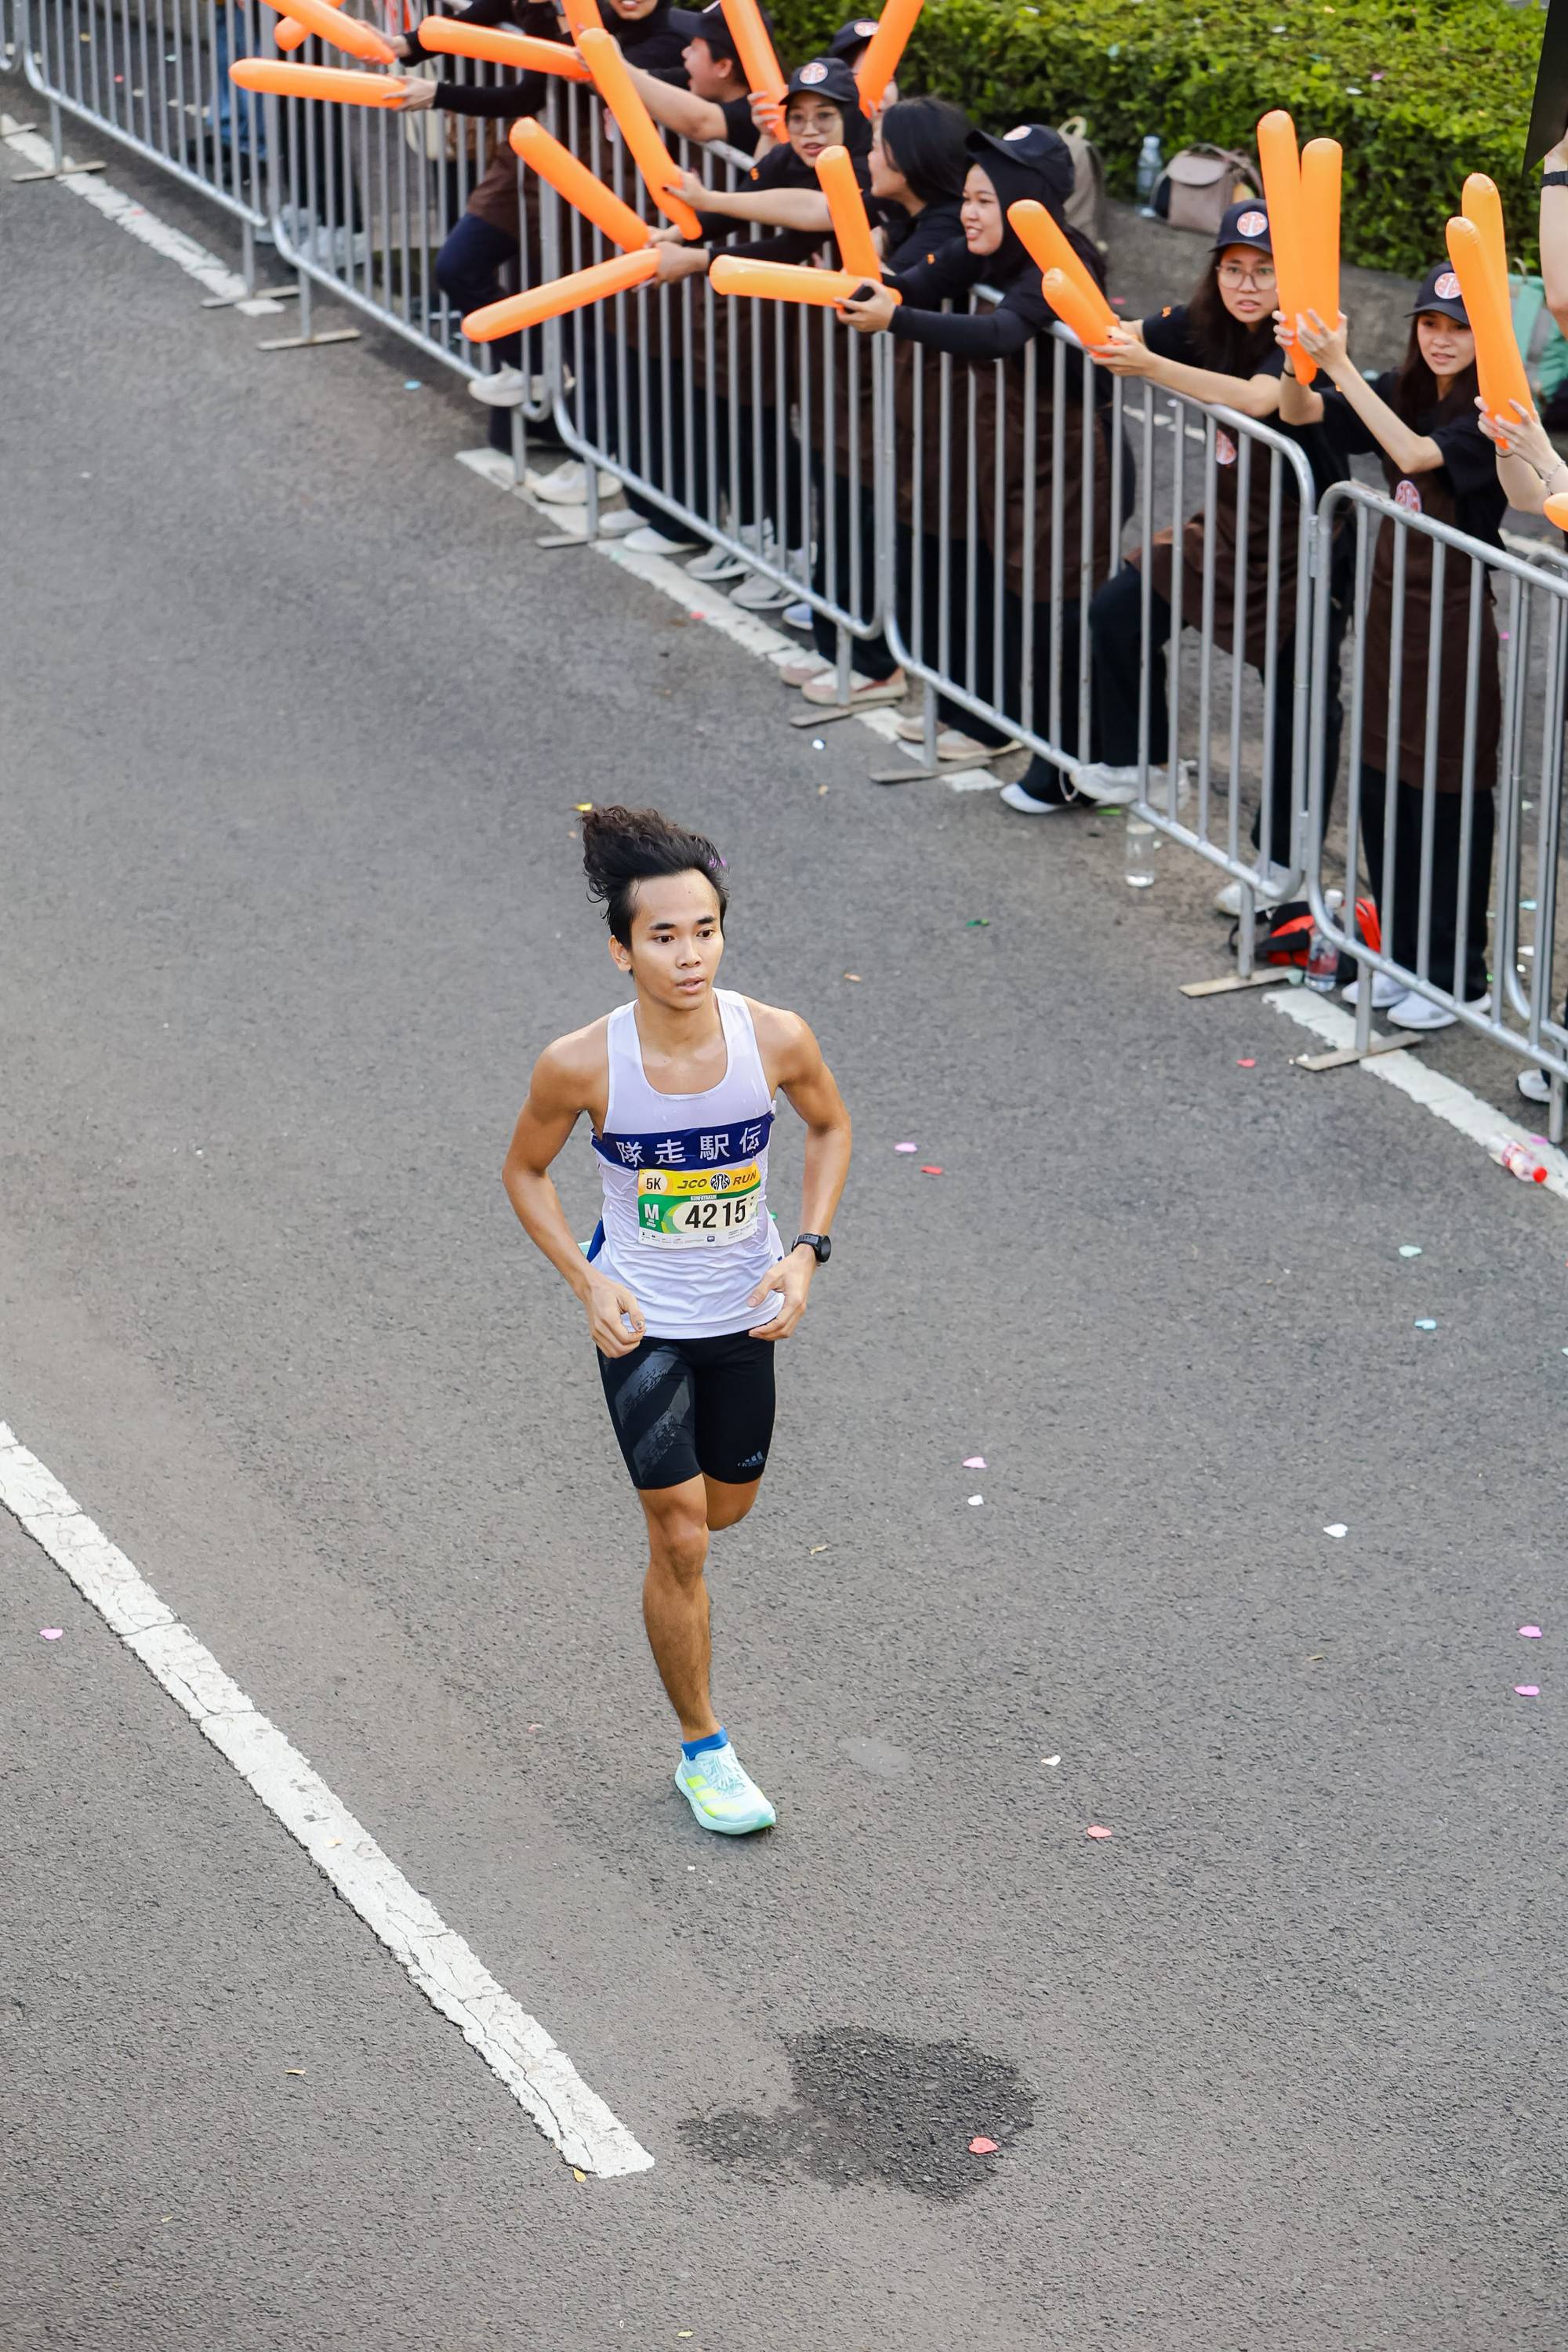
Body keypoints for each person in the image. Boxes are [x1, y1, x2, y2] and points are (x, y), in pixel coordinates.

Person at [502, 806, 851, 1835]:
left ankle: (678, 1566)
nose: (689, 954)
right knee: (683, 1533)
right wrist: (585, 1281)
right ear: (622, 951)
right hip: (641, 1319)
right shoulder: (582, 1065)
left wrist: (806, 1250)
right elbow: (524, 1171)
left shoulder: (775, 1039)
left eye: (705, 930)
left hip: (743, 1314)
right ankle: (706, 1751)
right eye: (663, 936)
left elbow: (830, 1127)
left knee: (724, 1511)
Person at [1073, 201, 1346, 912]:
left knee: (1301, 707)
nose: (1247, 286)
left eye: (1264, 271)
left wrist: (1149, 366)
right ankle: (1145, 762)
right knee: (1118, 612)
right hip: (1224, 529)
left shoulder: (1302, 336)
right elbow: (1118, 333)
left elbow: (1259, 401)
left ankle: (1283, 869)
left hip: (1303, 549)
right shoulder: (1202, 322)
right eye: (1233, 269)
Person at [840, 124, 1116, 795]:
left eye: (986, 200)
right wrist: (881, 286)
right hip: (1010, 450)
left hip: (1070, 462)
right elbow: (914, 285)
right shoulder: (983, 245)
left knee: (1049, 615)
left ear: (1028, 202)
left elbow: (1000, 332)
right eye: (967, 197)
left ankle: (1064, 767)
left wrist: (893, 318)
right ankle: (982, 717)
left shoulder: (1061, 259)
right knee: (993, 592)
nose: (968, 213)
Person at [1280, 268, 1504, 1031]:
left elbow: (1411, 455)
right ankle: (1401, 959)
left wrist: (1338, 363)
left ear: (1485, 338)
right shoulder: (1400, 387)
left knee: (1444, 793)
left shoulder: (1491, 411)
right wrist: (1300, 360)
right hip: (1389, 612)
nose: (1440, 340)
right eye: (1429, 324)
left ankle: (1455, 976)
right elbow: (1303, 413)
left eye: (1458, 328)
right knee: (1382, 783)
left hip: (1453, 620)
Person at [396, 0, 691, 453]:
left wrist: (576, 42)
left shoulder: (666, 36)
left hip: (605, 192)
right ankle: (532, 369)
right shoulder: (562, 14)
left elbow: (638, 91)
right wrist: (411, 46)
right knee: (458, 267)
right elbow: (520, 74)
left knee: (593, 328)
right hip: (531, 166)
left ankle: (594, 454)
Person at [782, 93, 969, 709]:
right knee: (841, 514)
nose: (867, 155)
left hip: (905, 417)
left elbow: (891, 293)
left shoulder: (944, 227)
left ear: (912, 160)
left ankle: (875, 663)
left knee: (870, 526)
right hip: (865, 407)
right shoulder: (899, 212)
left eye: (881, 147)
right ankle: (839, 642)